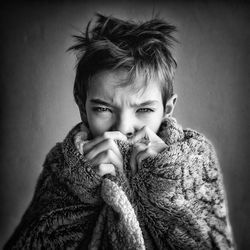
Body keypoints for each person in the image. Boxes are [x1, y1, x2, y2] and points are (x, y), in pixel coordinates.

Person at [5, 13, 234, 249]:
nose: (123, 128)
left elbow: (214, 243)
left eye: (144, 109)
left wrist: (167, 181)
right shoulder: (62, 166)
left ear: (167, 109)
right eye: (103, 108)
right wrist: (81, 187)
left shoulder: (194, 159)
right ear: (83, 107)